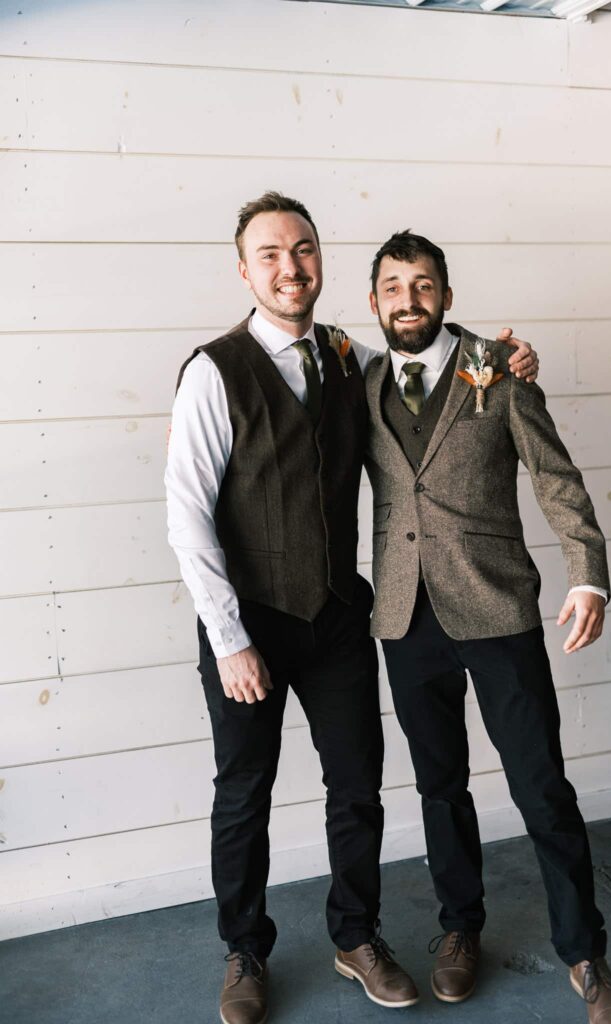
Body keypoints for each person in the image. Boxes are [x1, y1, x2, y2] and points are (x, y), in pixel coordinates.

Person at [164, 193, 539, 1024]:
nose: (290, 267)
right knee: (244, 792)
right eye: (270, 254)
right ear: (243, 270)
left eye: (303, 249)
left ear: (321, 261)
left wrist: (502, 357)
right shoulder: (213, 371)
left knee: (358, 788)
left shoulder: (347, 357)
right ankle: (245, 950)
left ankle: (356, 936)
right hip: (249, 621)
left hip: (338, 616)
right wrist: (229, 639)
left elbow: (425, 363)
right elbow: (186, 514)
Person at [363, 230, 611, 1024]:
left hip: (496, 607)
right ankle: (460, 929)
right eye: (392, 287)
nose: (408, 299)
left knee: (540, 788)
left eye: (422, 285)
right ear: (374, 301)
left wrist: (588, 575)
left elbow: (557, 479)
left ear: (446, 295)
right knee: (439, 787)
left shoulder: (500, 369)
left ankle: (585, 955)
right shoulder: (360, 381)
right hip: (404, 615)